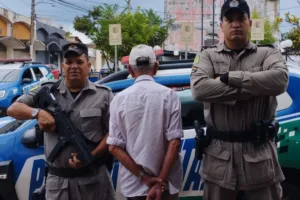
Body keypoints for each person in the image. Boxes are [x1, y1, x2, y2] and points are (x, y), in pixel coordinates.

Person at [190, 0, 288, 200]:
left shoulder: (268, 53)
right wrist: (254, 87)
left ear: (250, 23)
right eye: (229, 19)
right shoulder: (206, 55)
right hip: (219, 161)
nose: (235, 24)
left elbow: (280, 80)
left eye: (241, 18)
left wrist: (230, 78)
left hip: (259, 158)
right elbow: (199, 89)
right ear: (221, 25)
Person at [7, 42, 116, 200]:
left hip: (94, 183)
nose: (74, 66)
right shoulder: (47, 90)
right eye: (69, 62)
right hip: (58, 185)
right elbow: (13, 109)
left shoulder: (104, 95)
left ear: (89, 66)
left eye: (79, 62)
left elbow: (114, 132)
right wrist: (37, 113)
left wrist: (92, 155)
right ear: (62, 66)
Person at [107, 44, 183, 200]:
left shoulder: (118, 100)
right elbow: (174, 143)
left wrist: (144, 178)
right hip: (165, 187)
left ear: (130, 70)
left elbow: (114, 147)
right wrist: (159, 181)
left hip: (134, 187)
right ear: (155, 67)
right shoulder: (170, 96)